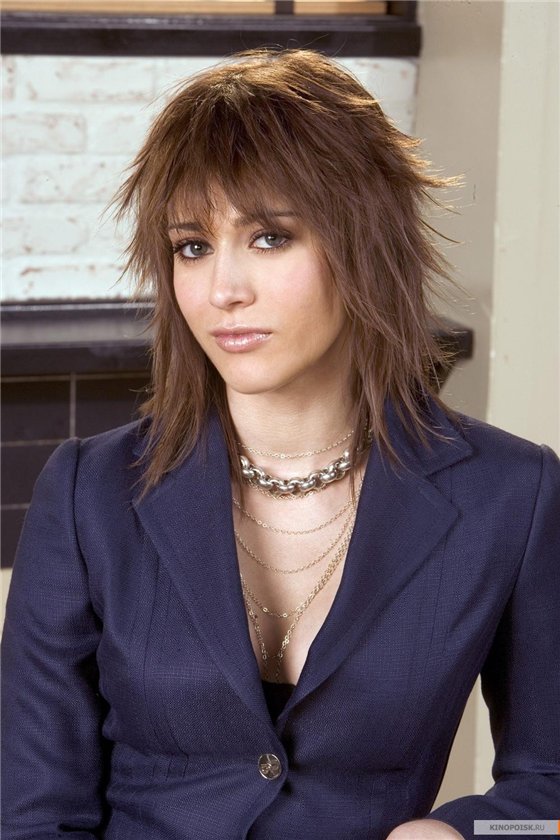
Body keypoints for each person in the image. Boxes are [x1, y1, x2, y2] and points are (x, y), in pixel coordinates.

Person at [1, 48, 559, 840]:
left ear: (366, 242)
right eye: (192, 246)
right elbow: (31, 813)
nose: (223, 289)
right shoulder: (88, 492)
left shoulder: (511, 493)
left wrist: (459, 834)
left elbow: (549, 787)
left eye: (269, 237)